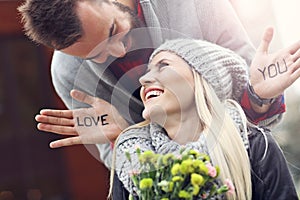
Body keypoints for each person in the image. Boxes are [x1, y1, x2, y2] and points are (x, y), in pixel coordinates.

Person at [18, 0, 300, 169]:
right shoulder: (68, 74)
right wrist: (123, 139)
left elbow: (258, 106)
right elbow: (124, 168)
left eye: (113, 31)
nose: (117, 51)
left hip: (248, 167)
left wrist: (258, 96)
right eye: (97, 55)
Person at [110, 39, 298, 199]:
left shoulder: (255, 145)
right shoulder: (131, 157)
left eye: (164, 66)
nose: (143, 79)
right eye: (148, 70)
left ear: (203, 81)